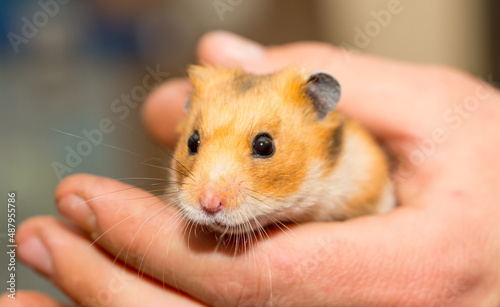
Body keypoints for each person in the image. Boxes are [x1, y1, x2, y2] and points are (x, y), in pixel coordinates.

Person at [3, 31, 500, 306]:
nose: (209, 198)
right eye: (195, 143)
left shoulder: (357, 162)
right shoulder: (200, 150)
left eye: (262, 147)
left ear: (319, 107)